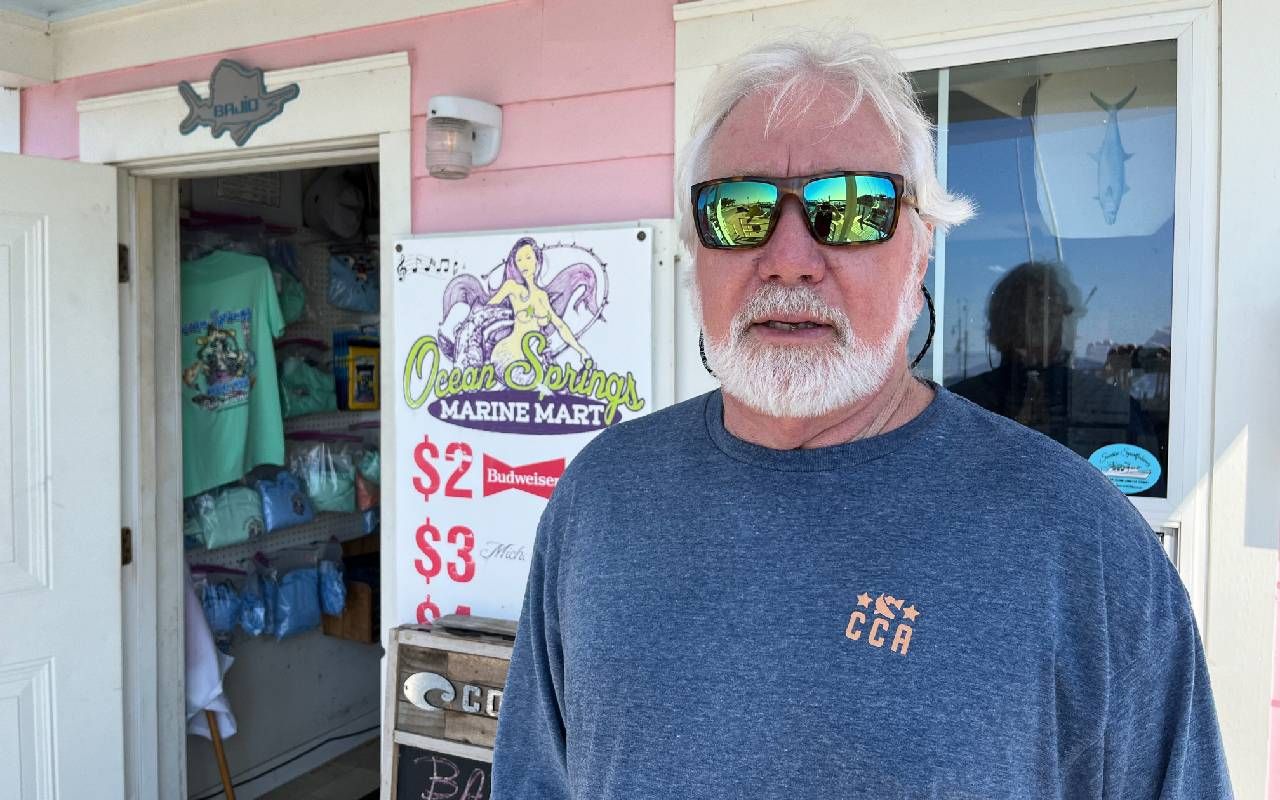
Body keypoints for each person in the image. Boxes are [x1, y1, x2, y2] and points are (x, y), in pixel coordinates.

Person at [492, 30, 1232, 799]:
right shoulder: (601, 497)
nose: (789, 257)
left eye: (850, 209)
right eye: (739, 210)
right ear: (695, 251)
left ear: (921, 254)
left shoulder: (1081, 542)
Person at [949, 261, 1166, 493]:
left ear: (993, 330)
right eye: (1032, 316)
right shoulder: (1115, 408)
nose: (1035, 325)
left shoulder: (956, 407)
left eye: (1043, 314)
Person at [488, 237, 591, 377]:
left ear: (537, 260)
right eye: (519, 260)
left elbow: (560, 326)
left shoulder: (542, 296)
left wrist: (581, 350)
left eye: (528, 258)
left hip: (533, 359)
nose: (524, 264)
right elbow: (488, 309)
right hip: (509, 354)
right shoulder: (512, 287)